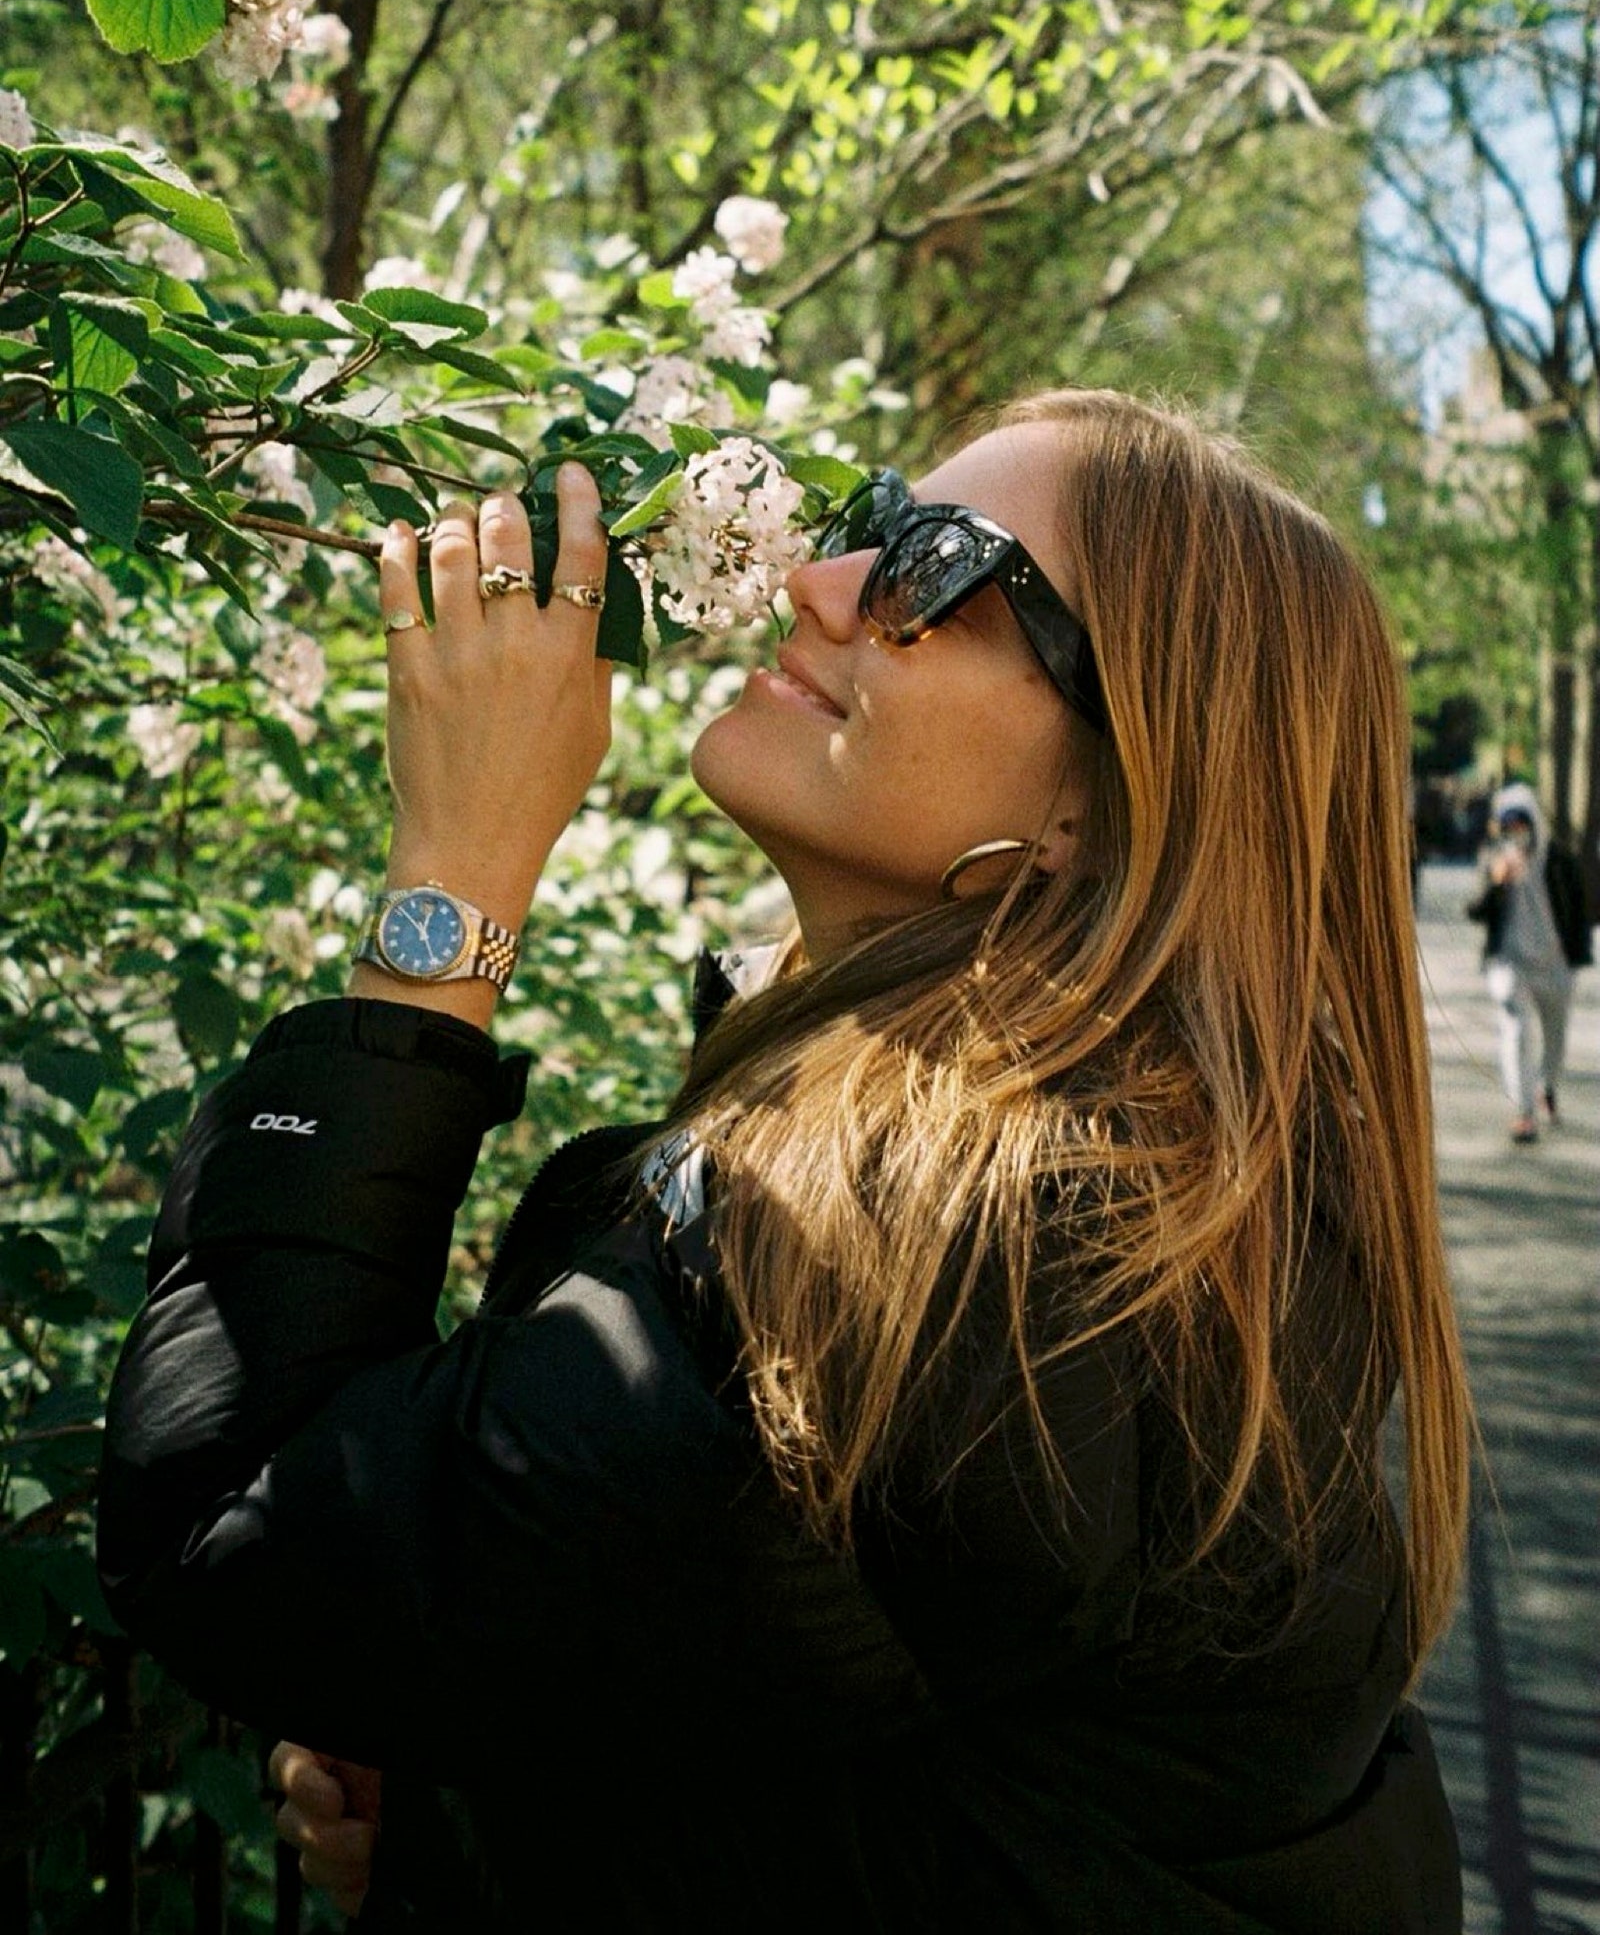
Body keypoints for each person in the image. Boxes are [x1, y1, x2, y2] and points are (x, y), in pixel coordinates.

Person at [97, 390, 1472, 1932]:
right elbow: (942, 1798)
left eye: (939, 570)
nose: (820, 583)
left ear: (1103, 804)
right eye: (867, 522)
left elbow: (228, 1532)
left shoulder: (943, 1257)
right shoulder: (1192, 1217)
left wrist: (452, 885)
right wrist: (489, 1820)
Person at [1467, 780, 1592, 1143]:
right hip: (1511, 963)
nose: (1516, 833)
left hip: (1554, 964)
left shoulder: (1559, 859)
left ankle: (1546, 1086)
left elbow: (1579, 911)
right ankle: (1523, 1110)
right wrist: (1496, 882)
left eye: (1522, 825)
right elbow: (1475, 911)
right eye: (1508, 826)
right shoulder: (1494, 858)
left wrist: (1576, 957)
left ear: (1535, 824)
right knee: (1516, 1031)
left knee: (1555, 1037)